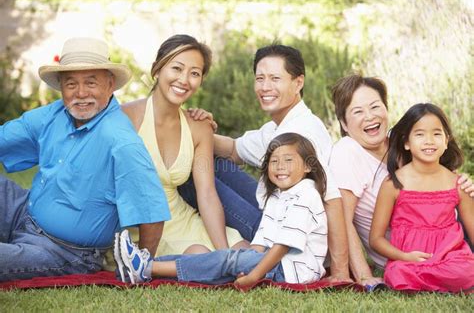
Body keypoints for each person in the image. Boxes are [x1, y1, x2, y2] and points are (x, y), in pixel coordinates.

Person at [0, 37, 170, 282]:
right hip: (24, 213)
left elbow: (152, 212)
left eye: (91, 82)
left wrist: (142, 266)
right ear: (61, 87)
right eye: (71, 84)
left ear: (110, 85)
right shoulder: (53, 113)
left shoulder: (121, 141)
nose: (80, 93)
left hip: (64, 253)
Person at [184, 44, 350, 282]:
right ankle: (226, 249)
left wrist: (341, 270)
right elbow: (233, 149)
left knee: (192, 173)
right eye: (260, 78)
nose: (265, 87)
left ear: (298, 82)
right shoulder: (278, 127)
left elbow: (332, 200)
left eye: (275, 78)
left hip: (288, 236)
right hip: (272, 213)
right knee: (211, 161)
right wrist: (195, 127)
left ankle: (224, 255)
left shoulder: (304, 131)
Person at [115, 133, 329, 287]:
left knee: (227, 261)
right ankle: (140, 267)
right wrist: (246, 258)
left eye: (288, 160)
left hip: (294, 270)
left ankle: (147, 267)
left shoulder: (306, 194)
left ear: (308, 166)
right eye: (274, 161)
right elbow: (262, 239)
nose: (280, 166)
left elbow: (283, 245)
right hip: (276, 263)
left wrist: (253, 275)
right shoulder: (277, 196)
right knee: (227, 261)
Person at [329, 74, 474, 287]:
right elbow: (342, 218)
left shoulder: (401, 140)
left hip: (451, 235)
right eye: (358, 111)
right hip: (403, 250)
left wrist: (464, 183)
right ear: (344, 123)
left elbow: (439, 177)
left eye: (375, 107)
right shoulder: (347, 151)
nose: (369, 117)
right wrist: (363, 274)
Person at [120, 34, 247, 257]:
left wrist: (224, 252)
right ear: (157, 70)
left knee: (245, 253)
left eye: (195, 73)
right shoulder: (127, 117)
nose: (184, 80)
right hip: (141, 229)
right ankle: (145, 265)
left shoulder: (199, 127)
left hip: (183, 221)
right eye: (177, 68)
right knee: (199, 255)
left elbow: (207, 194)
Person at [369, 103, 474, 292]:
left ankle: (438, 280)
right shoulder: (393, 184)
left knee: (467, 270)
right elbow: (375, 239)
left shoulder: (457, 184)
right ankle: (439, 282)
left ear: (446, 140)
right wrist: (404, 256)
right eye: (420, 134)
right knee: (398, 273)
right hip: (407, 261)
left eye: (436, 134)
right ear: (406, 142)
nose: (429, 141)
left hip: (450, 257)